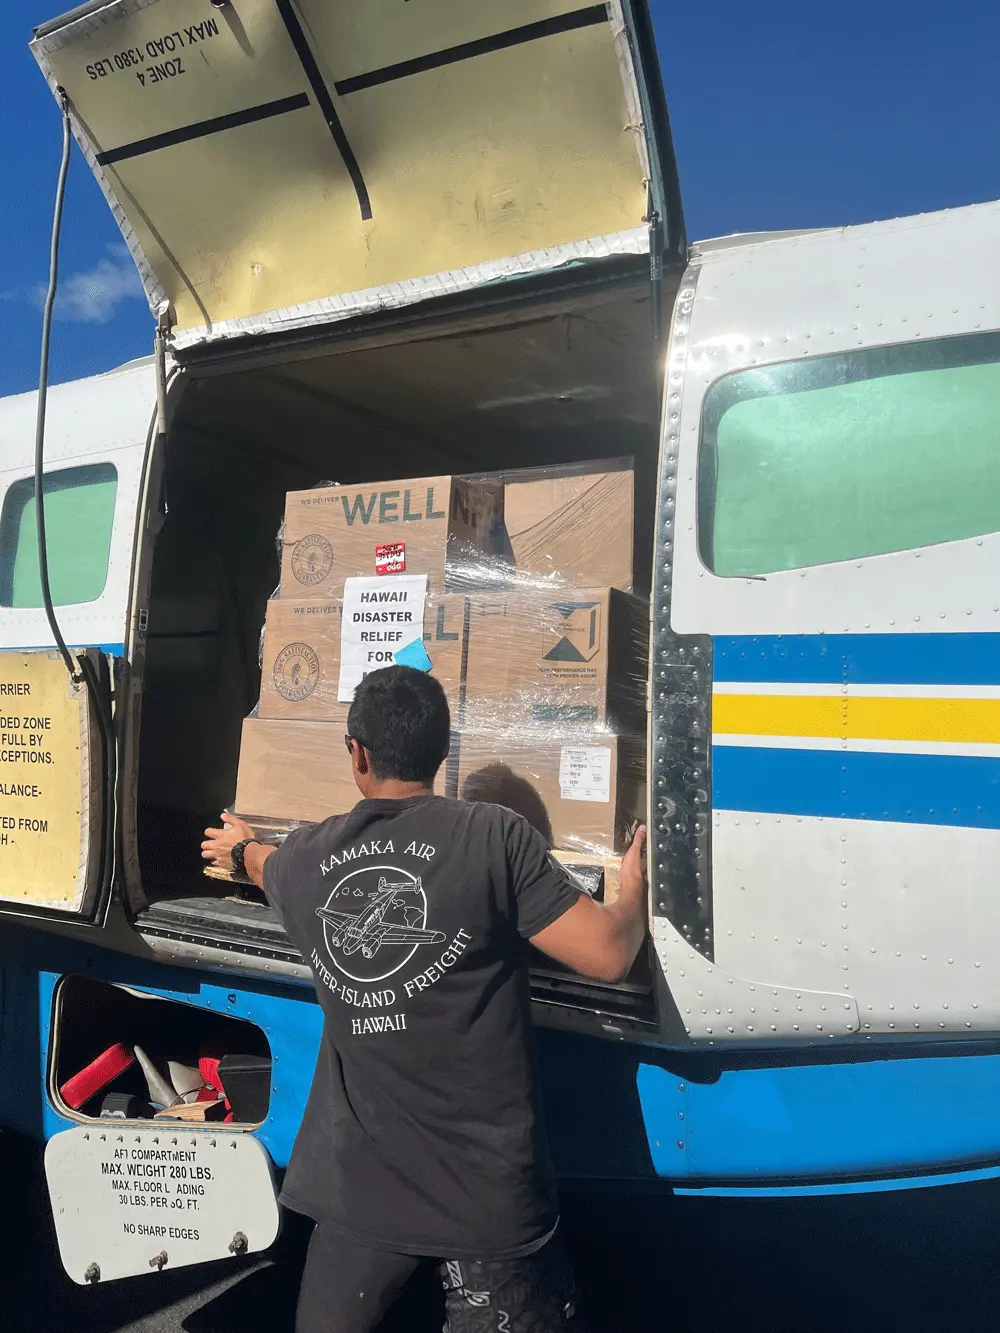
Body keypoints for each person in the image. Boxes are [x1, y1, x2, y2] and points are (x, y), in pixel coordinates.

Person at [202, 665, 647, 1333]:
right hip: (488, 1202)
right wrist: (635, 886)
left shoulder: (305, 861)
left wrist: (239, 851)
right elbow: (610, 953)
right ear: (442, 749)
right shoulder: (493, 838)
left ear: (356, 752)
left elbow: (263, 863)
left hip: (361, 1201)